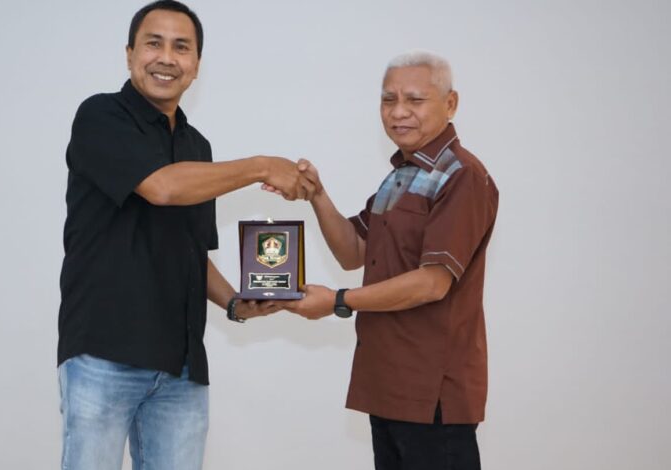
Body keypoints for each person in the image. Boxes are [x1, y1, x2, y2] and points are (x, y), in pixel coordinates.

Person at [57, 2, 315, 469]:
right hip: (104, 353)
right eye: (153, 43)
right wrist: (261, 166)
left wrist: (235, 303)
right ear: (130, 53)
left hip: (181, 367)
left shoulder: (198, 147)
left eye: (181, 47)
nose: (166, 58)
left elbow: (191, 250)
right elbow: (161, 187)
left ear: (196, 64)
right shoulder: (100, 116)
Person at [279, 51, 499, 469]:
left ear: (450, 104)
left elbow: (432, 282)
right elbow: (353, 251)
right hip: (388, 384)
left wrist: (338, 301)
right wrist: (317, 195)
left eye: (415, 100)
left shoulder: (462, 176)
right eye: (388, 99)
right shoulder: (401, 175)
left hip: (432, 392)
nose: (398, 112)